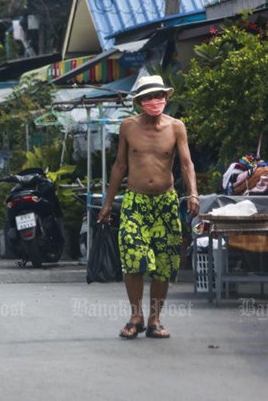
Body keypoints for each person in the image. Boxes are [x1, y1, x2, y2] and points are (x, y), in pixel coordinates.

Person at [97, 75, 199, 339]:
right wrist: (107, 203)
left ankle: (154, 319)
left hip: (165, 202)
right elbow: (120, 166)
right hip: (135, 201)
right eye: (150, 97)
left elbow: (186, 164)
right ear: (140, 101)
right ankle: (135, 316)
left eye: (160, 96)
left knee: (164, 263)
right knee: (133, 257)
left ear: (166, 98)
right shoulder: (128, 127)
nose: (156, 101)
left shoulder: (177, 127)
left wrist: (193, 195)